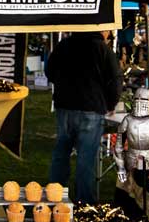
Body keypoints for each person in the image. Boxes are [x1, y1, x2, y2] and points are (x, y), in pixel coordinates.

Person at [45, 30, 121, 203]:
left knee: (61, 152)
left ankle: (55, 197)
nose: (109, 33)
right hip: (91, 108)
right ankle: (84, 202)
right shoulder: (102, 49)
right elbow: (116, 80)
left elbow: (49, 70)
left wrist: (64, 84)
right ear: (103, 29)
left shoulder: (64, 45)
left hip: (65, 106)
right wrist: (110, 104)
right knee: (86, 157)